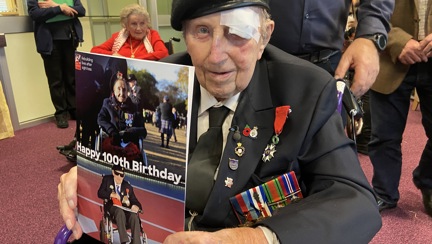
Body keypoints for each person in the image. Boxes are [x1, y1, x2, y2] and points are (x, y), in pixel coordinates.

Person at [58, 0, 382, 243]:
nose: (216, 55)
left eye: (238, 32)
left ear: (264, 37)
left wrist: (254, 239)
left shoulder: (307, 90)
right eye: (202, 31)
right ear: (184, 35)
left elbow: (354, 200)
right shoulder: (158, 80)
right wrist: (87, 177)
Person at [368, 0, 432, 215]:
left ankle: (427, 181)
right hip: (391, 59)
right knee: (385, 135)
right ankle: (383, 192)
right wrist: (398, 41)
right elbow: (369, 11)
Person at [28, 0, 85, 128]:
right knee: (55, 80)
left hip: (70, 39)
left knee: (71, 78)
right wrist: (60, 9)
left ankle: (74, 109)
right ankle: (61, 113)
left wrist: (56, 6)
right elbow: (35, 14)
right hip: (49, 43)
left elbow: (81, 11)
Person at [91, 3, 169, 61]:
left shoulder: (152, 34)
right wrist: (114, 55)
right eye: (134, 24)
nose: (139, 28)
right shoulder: (118, 37)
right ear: (126, 25)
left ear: (147, 23)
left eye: (142, 23)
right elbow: (95, 50)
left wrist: (131, 61)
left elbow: (163, 53)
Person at [98, 75, 147, 161]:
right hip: (112, 141)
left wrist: (131, 131)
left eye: (124, 89)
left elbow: (143, 130)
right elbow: (101, 119)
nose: (121, 92)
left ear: (128, 91)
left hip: (129, 145)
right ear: (114, 90)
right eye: (119, 89)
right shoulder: (107, 103)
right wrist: (112, 131)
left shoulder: (134, 108)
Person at [98, 164, 143, 244]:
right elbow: (100, 193)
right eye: (117, 173)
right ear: (113, 172)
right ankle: (124, 241)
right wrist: (111, 194)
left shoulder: (127, 186)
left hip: (125, 211)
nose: (119, 177)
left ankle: (136, 242)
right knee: (119, 211)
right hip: (112, 209)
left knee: (134, 216)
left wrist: (136, 206)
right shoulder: (107, 180)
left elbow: (135, 201)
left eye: (121, 175)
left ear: (124, 175)